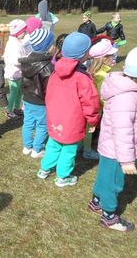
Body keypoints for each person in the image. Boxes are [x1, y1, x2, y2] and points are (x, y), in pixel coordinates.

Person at [88, 45, 137, 232]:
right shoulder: (127, 97)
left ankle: (96, 201)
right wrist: (127, 159)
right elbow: (123, 130)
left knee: (104, 176)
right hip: (117, 151)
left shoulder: (132, 90)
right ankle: (109, 216)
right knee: (113, 183)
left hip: (113, 148)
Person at [37, 32, 100, 187]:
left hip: (54, 118)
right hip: (72, 121)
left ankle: (44, 169)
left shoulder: (55, 71)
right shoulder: (83, 77)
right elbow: (90, 102)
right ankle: (63, 177)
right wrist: (93, 121)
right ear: (84, 54)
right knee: (68, 150)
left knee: (53, 143)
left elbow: (48, 95)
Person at [20, 29, 54, 158]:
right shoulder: (48, 67)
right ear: (46, 46)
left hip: (28, 98)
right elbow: (49, 88)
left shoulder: (26, 62)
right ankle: (37, 149)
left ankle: (27, 146)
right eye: (52, 42)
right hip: (41, 101)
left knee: (28, 122)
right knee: (42, 125)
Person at [82, 39, 118, 159]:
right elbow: (103, 95)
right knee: (89, 129)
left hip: (91, 106)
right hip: (95, 107)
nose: (114, 58)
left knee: (86, 128)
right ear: (104, 58)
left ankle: (80, 145)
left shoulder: (93, 71)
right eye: (111, 56)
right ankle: (87, 150)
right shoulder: (103, 76)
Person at [3, 19, 33, 120]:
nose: (25, 34)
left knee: (19, 92)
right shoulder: (13, 44)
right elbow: (15, 60)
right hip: (13, 73)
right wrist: (26, 59)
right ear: (18, 32)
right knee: (13, 93)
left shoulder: (17, 41)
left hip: (19, 73)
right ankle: (9, 110)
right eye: (24, 32)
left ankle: (16, 108)